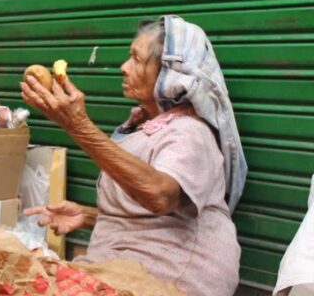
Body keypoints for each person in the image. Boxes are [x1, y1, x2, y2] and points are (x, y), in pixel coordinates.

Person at [21, 16, 248, 296]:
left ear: (169, 72)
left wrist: (77, 125)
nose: (123, 68)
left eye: (136, 60)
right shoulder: (145, 128)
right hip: (124, 266)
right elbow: (148, 211)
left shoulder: (190, 132)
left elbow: (160, 196)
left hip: (171, 277)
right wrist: (92, 216)